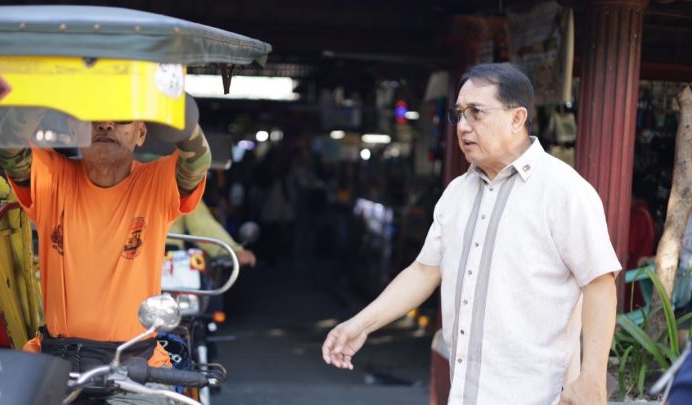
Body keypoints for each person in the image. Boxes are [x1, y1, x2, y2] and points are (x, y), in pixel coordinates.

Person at [322, 63, 620, 405]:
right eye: (459, 114)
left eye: (476, 113)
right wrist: (361, 324)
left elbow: (599, 282)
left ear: (517, 118)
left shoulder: (563, 190)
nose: (463, 126)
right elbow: (425, 270)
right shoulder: (457, 193)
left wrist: (592, 378)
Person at [0, 101, 211, 402]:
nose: (106, 124)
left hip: (136, 369)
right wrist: (41, 92)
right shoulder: (51, 178)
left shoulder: (156, 183)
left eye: (121, 119)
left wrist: (182, 116)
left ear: (141, 133)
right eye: (93, 117)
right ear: (73, 130)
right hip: (58, 366)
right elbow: (7, 148)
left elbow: (196, 164)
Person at [167, 200, 257, 266]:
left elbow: (202, 225)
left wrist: (233, 250)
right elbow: (201, 224)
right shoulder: (177, 185)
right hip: (166, 260)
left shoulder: (177, 187)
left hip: (168, 260)